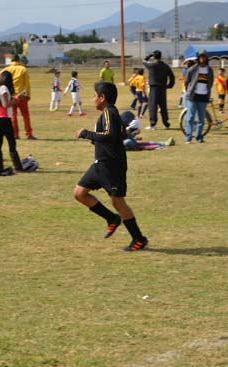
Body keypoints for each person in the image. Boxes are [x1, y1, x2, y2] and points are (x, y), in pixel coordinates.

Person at [73, 81, 148, 251]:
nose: (93, 99)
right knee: (79, 193)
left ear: (102, 98)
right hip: (100, 164)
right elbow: (114, 136)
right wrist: (94, 139)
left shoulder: (110, 113)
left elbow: (110, 135)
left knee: (118, 202)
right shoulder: (108, 114)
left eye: (94, 95)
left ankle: (139, 239)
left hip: (112, 166)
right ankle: (112, 219)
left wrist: (86, 134)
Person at [0, 70, 24, 171]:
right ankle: (17, 166)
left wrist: (14, 97)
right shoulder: (3, 88)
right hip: (4, 118)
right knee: (11, 142)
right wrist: (17, 99)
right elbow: (5, 105)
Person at [0, 54, 36, 140]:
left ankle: (15, 134)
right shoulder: (22, 69)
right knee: (25, 115)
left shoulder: (6, 69)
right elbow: (27, 84)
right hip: (21, 96)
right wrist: (28, 95)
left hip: (10, 96)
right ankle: (28, 134)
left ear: (11, 61)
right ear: (19, 60)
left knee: (13, 116)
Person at [184, 49, 214, 144]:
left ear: (206, 58)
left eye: (204, 56)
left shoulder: (209, 70)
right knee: (190, 117)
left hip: (203, 97)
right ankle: (188, 137)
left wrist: (207, 92)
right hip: (193, 96)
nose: (202, 58)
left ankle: (199, 137)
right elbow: (187, 81)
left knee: (201, 119)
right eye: (201, 56)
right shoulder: (193, 69)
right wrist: (189, 90)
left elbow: (211, 82)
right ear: (198, 58)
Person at [143, 50, 175, 129]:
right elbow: (172, 76)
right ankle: (166, 123)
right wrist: (169, 85)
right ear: (161, 56)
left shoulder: (152, 65)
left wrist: (149, 55)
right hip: (163, 88)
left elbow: (144, 61)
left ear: (154, 57)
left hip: (154, 88)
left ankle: (153, 124)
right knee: (163, 106)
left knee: (153, 106)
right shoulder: (165, 66)